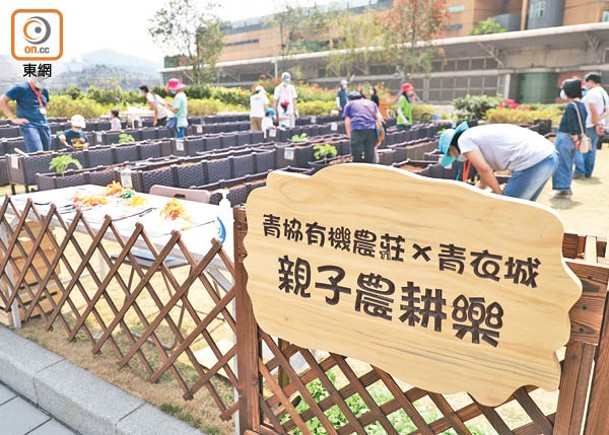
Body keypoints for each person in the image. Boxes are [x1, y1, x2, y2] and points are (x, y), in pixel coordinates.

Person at [438, 122, 558, 202]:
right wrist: (475, 192)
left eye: (451, 154)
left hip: (533, 160)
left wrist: (499, 195)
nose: (455, 157)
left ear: (452, 148)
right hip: (549, 155)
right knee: (525, 209)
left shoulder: (464, 140)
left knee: (507, 210)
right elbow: (485, 177)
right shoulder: (476, 135)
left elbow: (484, 170)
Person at [551, 78, 587, 198]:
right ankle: (566, 187)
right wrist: (578, 139)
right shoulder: (582, 105)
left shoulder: (571, 106)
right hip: (574, 139)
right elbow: (581, 123)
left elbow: (572, 123)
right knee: (568, 163)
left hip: (566, 137)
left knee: (561, 163)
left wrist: (575, 138)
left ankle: (563, 189)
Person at [0, 77, 51, 153]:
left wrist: (43, 113)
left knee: (47, 153)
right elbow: (2, 100)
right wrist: (12, 119)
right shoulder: (21, 88)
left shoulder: (44, 90)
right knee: (37, 153)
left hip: (44, 125)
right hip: (29, 125)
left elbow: (46, 104)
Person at [574, 72, 609, 178]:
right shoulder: (604, 93)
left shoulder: (592, 93)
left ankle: (580, 171)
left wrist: (596, 123)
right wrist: (600, 122)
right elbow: (607, 111)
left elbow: (593, 110)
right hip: (598, 124)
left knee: (582, 147)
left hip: (589, 124)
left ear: (591, 81)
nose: (585, 85)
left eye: (586, 82)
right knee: (591, 148)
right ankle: (587, 172)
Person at [343, 91, 383, 163]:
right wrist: (380, 135)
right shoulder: (371, 103)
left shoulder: (349, 104)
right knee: (370, 152)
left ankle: (358, 169)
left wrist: (350, 135)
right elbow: (379, 118)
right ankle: (369, 169)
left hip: (357, 129)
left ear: (349, 99)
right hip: (371, 130)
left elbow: (347, 122)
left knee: (356, 152)